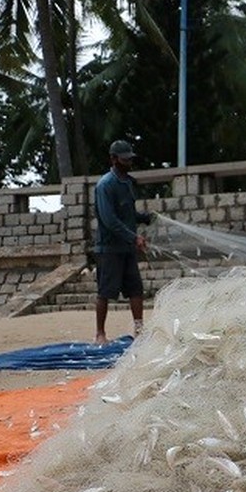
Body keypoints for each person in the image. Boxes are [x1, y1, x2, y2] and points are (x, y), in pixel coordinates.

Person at [93, 140, 153, 344]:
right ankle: (100, 333)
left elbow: (127, 214)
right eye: (124, 159)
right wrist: (134, 237)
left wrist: (143, 218)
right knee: (105, 291)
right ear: (113, 159)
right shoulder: (105, 185)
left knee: (135, 289)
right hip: (109, 247)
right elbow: (109, 220)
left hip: (127, 247)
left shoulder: (127, 182)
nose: (128, 163)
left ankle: (139, 328)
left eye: (130, 159)